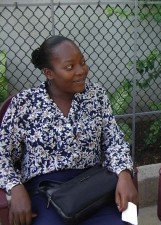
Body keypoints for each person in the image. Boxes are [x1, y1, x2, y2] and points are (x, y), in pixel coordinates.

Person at [0, 36, 138, 225]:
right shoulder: (24, 104)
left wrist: (124, 173)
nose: (81, 71)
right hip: (44, 193)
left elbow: (114, 141)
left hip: (93, 188)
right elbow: (3, 155)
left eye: (82, 63)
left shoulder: (96, 96)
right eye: (69, 67)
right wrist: (15, 188)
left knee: (125, 221)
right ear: (49, 72)